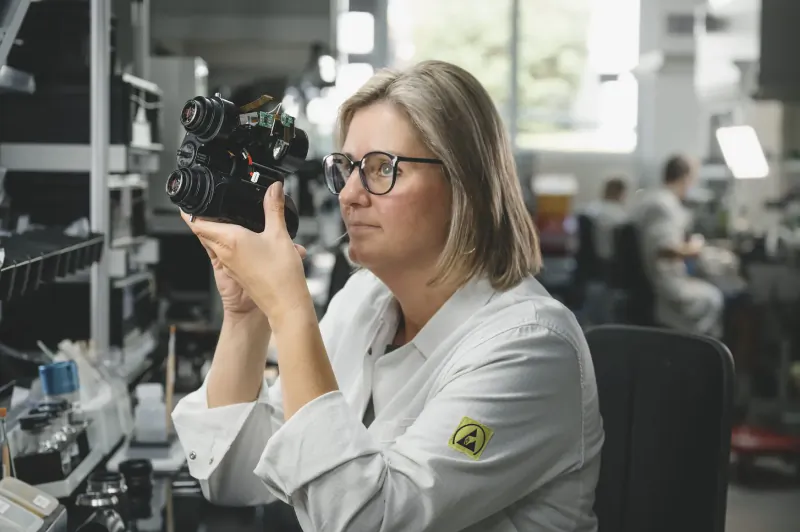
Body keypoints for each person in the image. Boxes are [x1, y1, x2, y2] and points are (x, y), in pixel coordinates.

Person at [171, 60, 604, 532]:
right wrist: (248, 312)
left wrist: (291, 311)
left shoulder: (530, 346)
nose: (349, 195)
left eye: (382, 168)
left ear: (464, 185)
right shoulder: (365, 300)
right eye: (347, 168)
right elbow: (234, 475)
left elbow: (367, 521)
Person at [631, 154, 724, 337]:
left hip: (660, 280)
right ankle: (704, 352)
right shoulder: (663, 205)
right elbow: (664, 249)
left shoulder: (655, 199)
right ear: (685, 178)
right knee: (714, 297)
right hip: (666, 287)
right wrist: (695, 248)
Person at [584, 177, 628, 262]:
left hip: (588, 261)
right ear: (620, 193)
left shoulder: (591, 208)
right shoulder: (618, 216)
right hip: (609, 261)